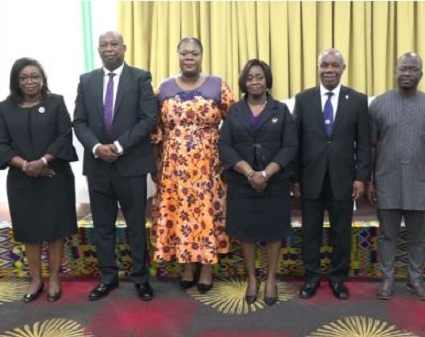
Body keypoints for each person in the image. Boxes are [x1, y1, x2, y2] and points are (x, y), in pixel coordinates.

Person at [73, 31, 157, 301]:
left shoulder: (141, 77)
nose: (109, 49)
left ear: (124, 48)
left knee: (135, 224)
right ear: (98, 49)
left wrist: (119, 146)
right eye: (104, 45)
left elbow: (148, 119)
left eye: (114, 44)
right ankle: (107, 278)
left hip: (130, 164)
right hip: (98, 165)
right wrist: (97, 147)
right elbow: (79, 122)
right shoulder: (86, 81)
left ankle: (140, 278)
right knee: (103, 226)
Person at [151, 37, 235, 294]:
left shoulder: (218, 85)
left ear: (202, 56)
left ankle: (207, 268)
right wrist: (156, 164)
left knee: (206, 213)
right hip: (173, 165)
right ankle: (187, 267)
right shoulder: (163, 88)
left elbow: (234, 122)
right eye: (185, 53)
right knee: (181, 215)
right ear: (177, 55)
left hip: (209, 164)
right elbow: (155, 129)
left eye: (195, 53)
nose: (190, 57)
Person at [0, 57, 78, 303]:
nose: (30, 81)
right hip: (21, 179)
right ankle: (35, 279)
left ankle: (53, 278)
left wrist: (42, 161)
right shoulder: (5, 107)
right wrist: (27, 166)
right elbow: (1, 145)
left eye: (35, 76)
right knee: (29, 230)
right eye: (24, 78)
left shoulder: (56, 103)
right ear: (16, 82)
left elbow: (64, 136)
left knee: (55, 229)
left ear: (43, 79)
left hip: (55, 175)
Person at [367, 52, 425, 301]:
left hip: (421, 182)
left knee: (418, 237)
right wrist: (369, 179)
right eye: (403, 69)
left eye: (413, 70)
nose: (407, 74)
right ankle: (388, 279)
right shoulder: (378, 104)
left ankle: (415, 279)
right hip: (386, 181)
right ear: (395, 71)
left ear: (421, 75)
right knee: (387, 235)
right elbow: (371, 146)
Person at [218, 59, 298, 306]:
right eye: (250, 77)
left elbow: (290, 146)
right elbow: (225, 146)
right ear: (244, 82)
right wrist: (250, 173)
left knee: (274, 231)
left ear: (267, 80)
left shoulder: (281, 110)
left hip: (274, 183)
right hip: (242, 182)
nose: (255, 81)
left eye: (259, 77)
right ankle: (253, 279)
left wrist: (266, 174)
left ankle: (271, 278)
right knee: (246, 233)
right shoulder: (235, 111)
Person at [293, 49, 371, 300]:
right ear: (318, 68)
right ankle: (312, 278)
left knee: (341, 233)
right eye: (324, 65)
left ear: (343, 68)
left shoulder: (357, 100)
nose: (329, 70)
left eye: (334, 65)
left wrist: (360, 177)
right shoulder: (303, 99)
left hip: (343, 179)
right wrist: (294, 177)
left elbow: (364, 142)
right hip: (310, 179)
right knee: (310, 232)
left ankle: (338, 279)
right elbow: (296, 141)